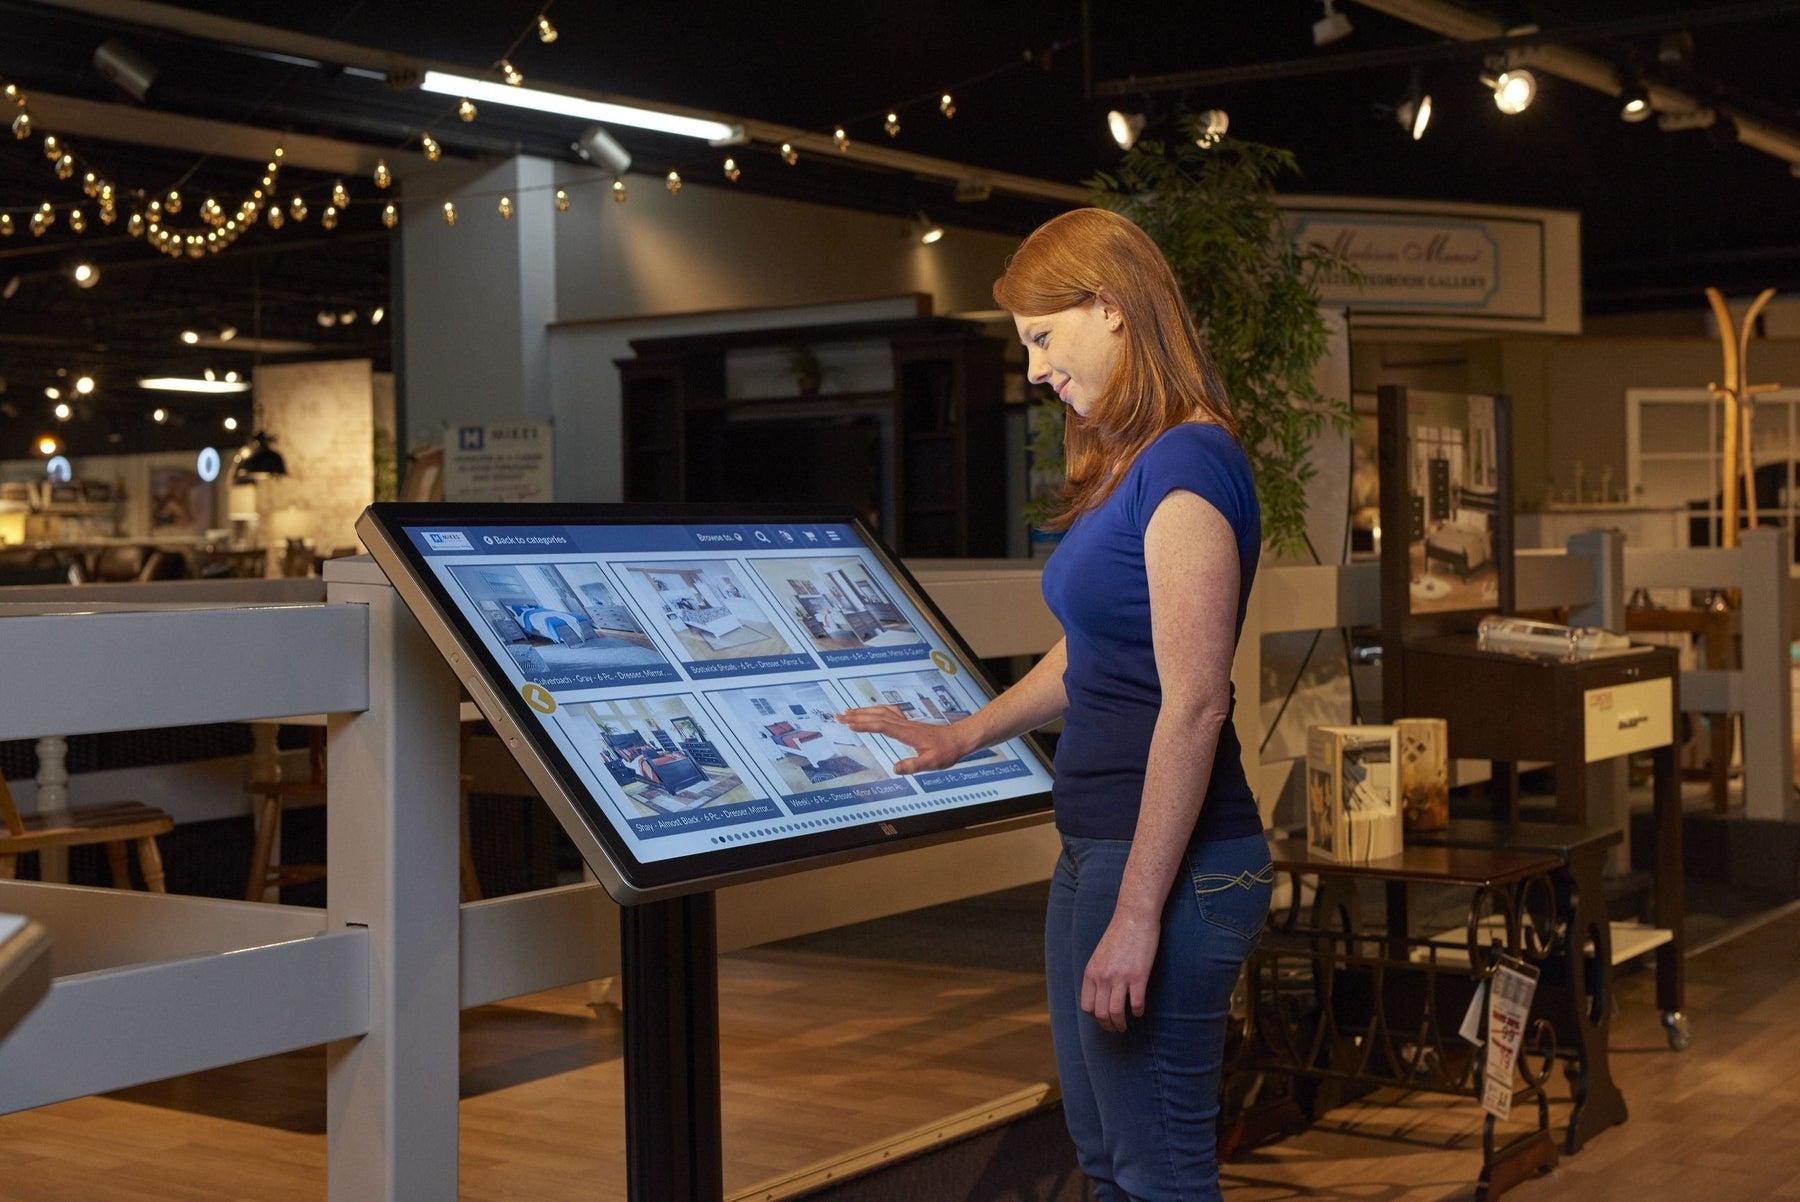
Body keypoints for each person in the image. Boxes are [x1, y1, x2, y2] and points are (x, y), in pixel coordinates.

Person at [838, 207, 1271, 1201]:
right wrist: (963, 732)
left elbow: (1195, 705)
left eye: (1041, 336)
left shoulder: (1188, 468)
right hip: (1100, 848)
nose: (1033, 369)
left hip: (1171, 865)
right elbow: (1100, 653)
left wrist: (1136, 913)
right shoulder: (1138, 458)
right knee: (1109, 1163)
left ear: (1111, 308)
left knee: (1158, 1174)